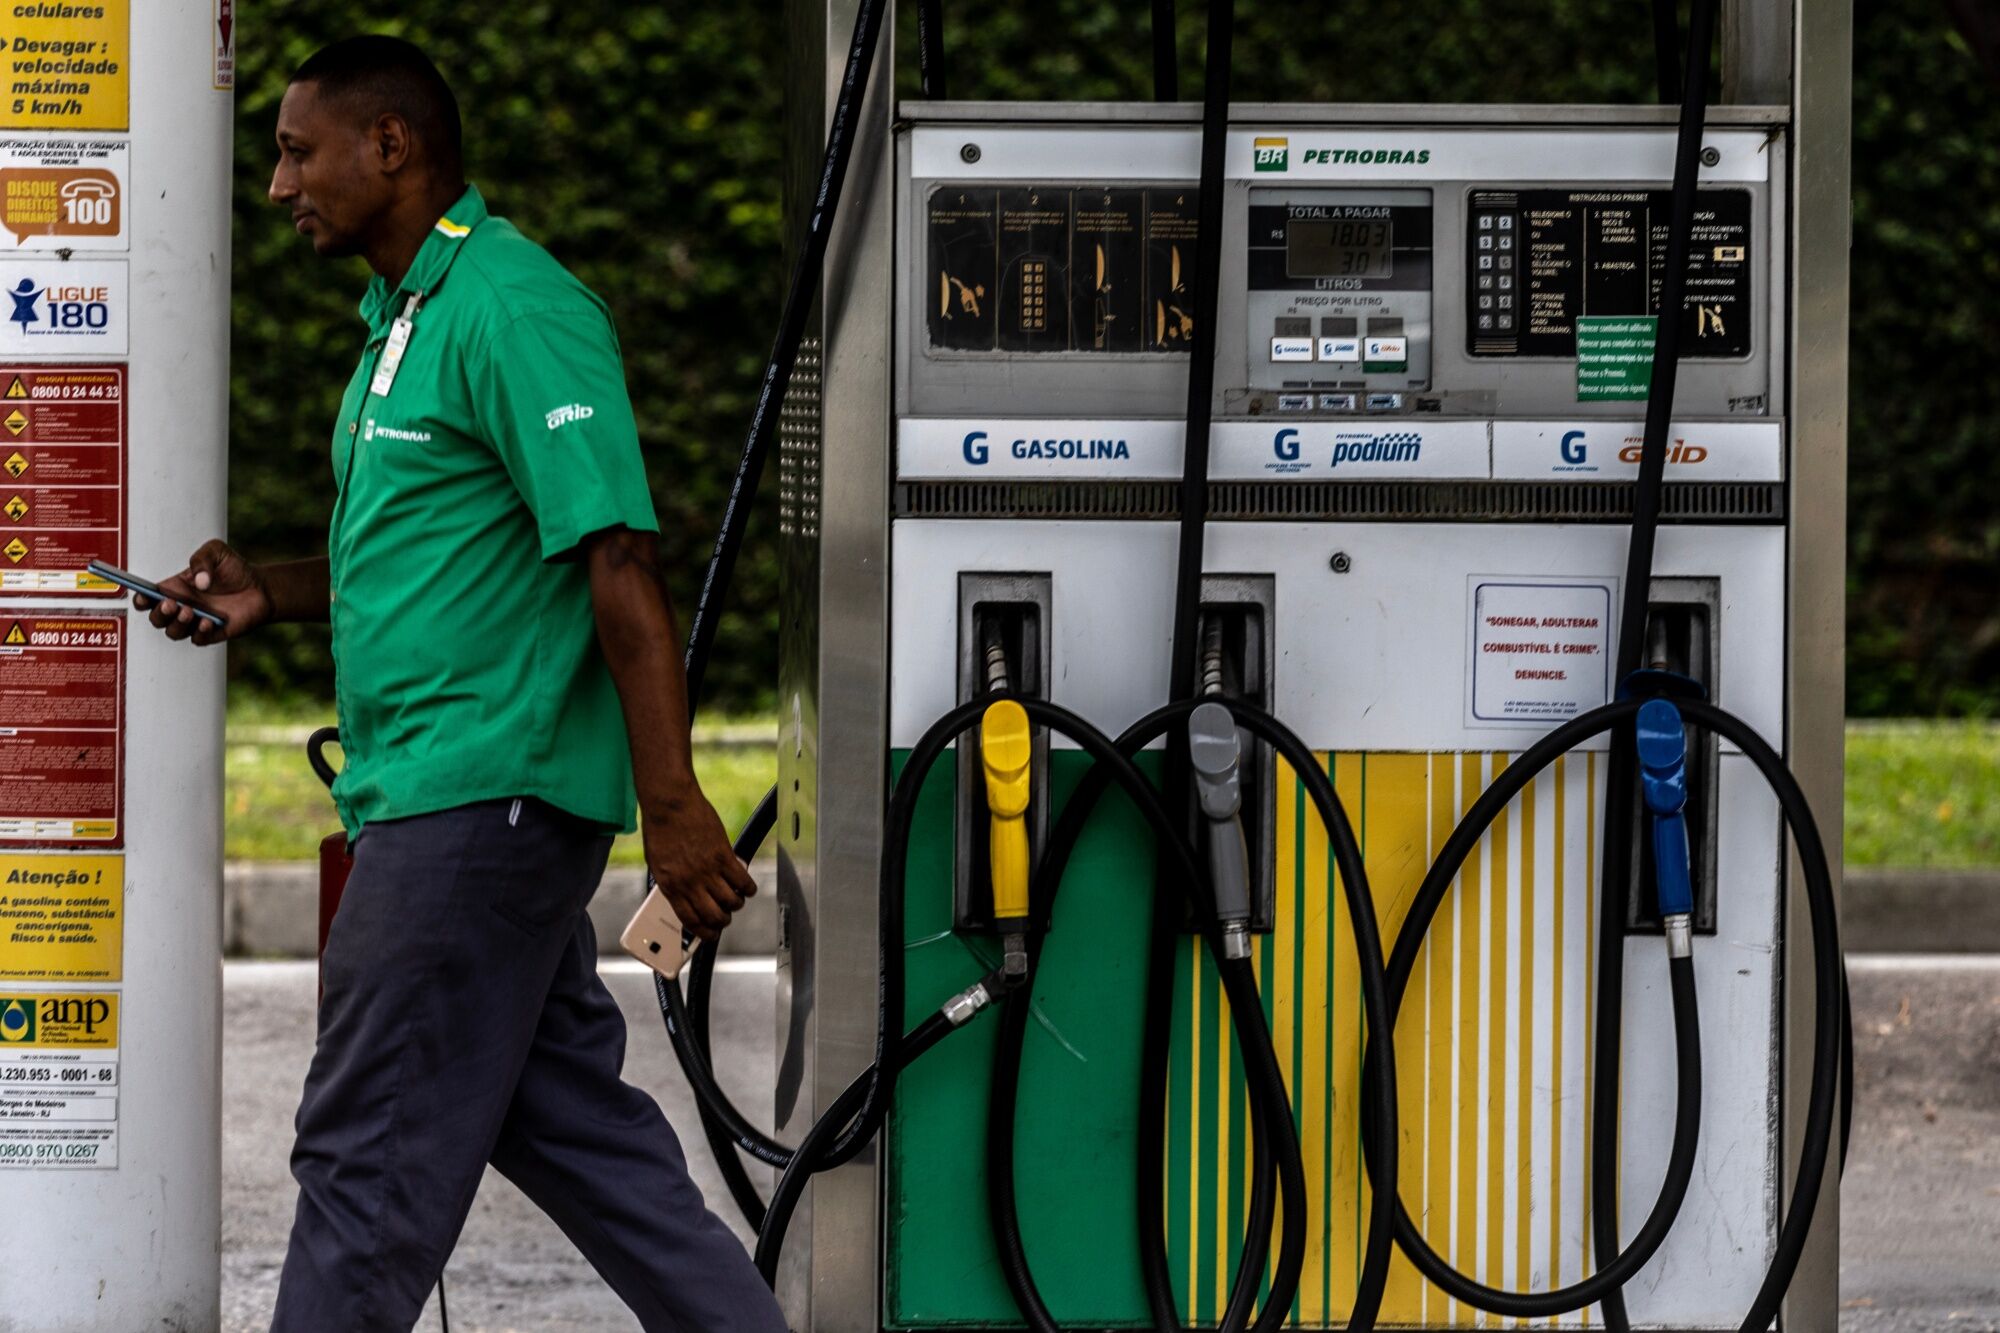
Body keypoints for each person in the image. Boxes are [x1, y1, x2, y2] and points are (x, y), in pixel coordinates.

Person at [132, 35, 789, 1333]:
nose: (278, 186)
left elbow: (616, 557)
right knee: (583, 1142)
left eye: (296, 151)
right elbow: (439, 547)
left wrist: (675, 802)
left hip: (474, 798)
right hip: (448, 796)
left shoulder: (513, 306)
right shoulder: (405, 322)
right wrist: (268, 585)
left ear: (392, 147)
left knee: (360, 1158)